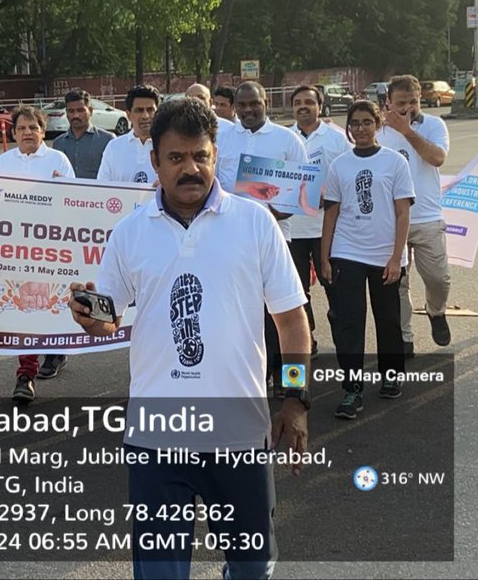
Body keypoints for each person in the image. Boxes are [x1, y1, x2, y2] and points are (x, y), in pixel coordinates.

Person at [66, 97, 311, 580]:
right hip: (156, 441)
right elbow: (109, 318)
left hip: (239, 435)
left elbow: (292, 321)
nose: (190, 168)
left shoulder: (255, 223)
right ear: (154, 161)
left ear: (216, 156)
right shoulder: (130, 233)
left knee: (251, 567)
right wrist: (91, 318)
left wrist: (296, 398)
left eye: (200, 155)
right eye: (176, 158)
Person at [320, 101, 414, 418]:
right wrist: (325, 257)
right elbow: (331, 213)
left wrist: (396, 257)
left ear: (378, 125)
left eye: (366, 122)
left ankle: (390, 375)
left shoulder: (395, 162)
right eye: (354, 124)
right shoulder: (339, 166)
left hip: (384, 254)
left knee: (387, 318)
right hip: (347, 251)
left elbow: (403, 213)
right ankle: (352, 389)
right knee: (349, 321)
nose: (360, 129)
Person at [216, 81, 308, 397]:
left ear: (265, 102)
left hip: (277, 238)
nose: (248, 110)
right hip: (230, 240)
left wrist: (275, 212)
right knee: (239, 311)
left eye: (253, 103)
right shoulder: (223, 138)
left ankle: (291, 384)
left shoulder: (288, 140)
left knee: (285, 313)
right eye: (241, 105)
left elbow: (303, 193)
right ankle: (255, 376)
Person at [0, 105, 75, 403]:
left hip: (49, 249)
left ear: (42, 131)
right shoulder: (1, 163)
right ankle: (26, 374)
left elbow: (75, 202)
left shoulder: (58, 160)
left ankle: (56, 350)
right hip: (14, 249)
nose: (28, 133)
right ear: (13, 133)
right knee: (23, 306)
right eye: (22, 128)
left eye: (33, 128)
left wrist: (59, 188)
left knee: (50, 305)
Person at [377, 75, 453, 351]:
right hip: (390, 219)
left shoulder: (433, 125)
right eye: (401, 103)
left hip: (427, 216)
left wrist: (407, 130)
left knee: (438, 278)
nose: (408, 108)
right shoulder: (378, 131)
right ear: (388, 102)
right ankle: (404, 337)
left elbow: (437, 158)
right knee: (397, 283)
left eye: (413, 102)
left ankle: (436, 310)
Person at [287, 85, 350, 355]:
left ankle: (344, 343)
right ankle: (307, 338)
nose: (303, 106)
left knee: (334, 287)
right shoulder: (284, 138)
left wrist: (331, 195)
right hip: (293, 229)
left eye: (308, 102)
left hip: (327, 228)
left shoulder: (337, 139)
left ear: (320, 106)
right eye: (298, 102)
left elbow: (350, 174)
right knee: (297, 290)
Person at [97, 84, 161, 184]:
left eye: (150, 110)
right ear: (128, 115)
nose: (145, 116)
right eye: (139, 110)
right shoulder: (114, 147)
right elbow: (102, 187)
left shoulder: (168, 146)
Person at [51, 89, 114, 180]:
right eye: (71, 111)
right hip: (67, 193)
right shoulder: (58, 143)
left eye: (80, 110)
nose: (76, 115)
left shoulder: (107, 140)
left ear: (91, 111)